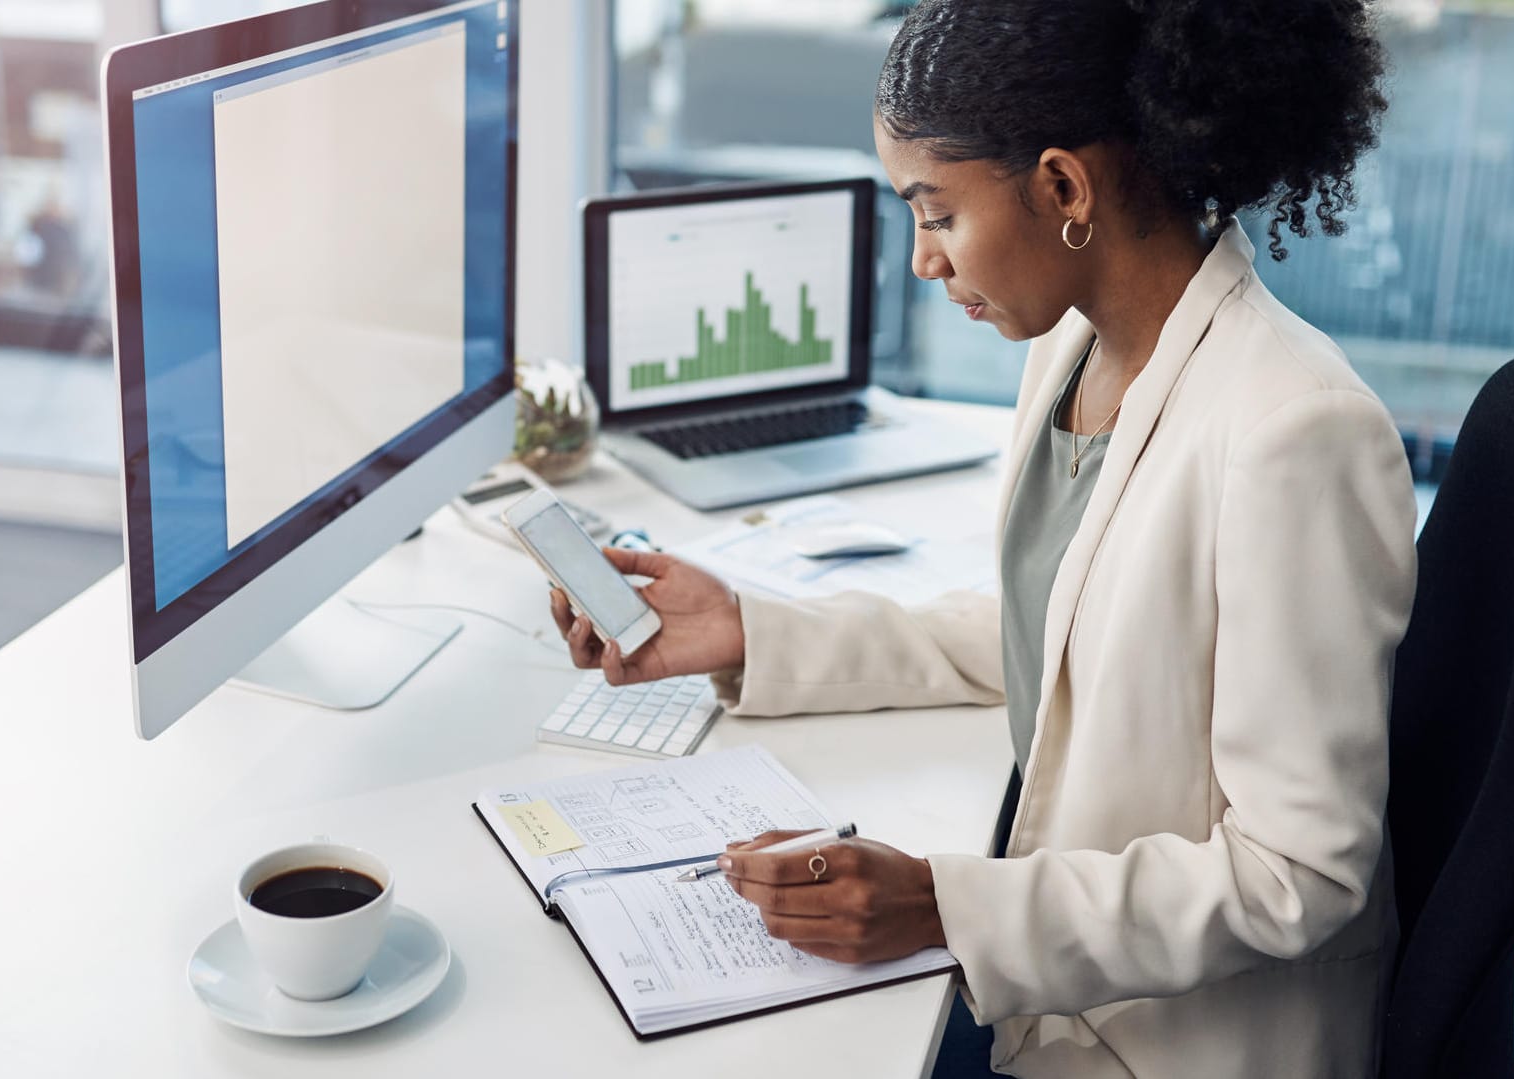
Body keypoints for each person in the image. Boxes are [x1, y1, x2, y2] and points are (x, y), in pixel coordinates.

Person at [553, 0, 1416, 1074]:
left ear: (1063, 189)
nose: (921, 260)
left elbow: (1302, 873)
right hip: (1067, 992)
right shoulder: (1070, 353)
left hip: (1167, 1040)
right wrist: (748, 632)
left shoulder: (1294, 428)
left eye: (936, 213)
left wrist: (944, 903)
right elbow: (1049, 627)